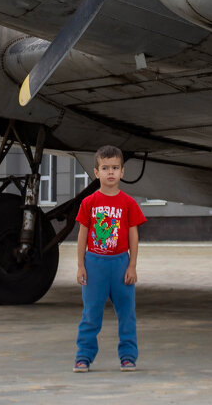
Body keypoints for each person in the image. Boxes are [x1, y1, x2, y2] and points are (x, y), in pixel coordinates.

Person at [73, 145, 146, 372]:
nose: (110, 172)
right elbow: (82, 235)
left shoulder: (128, 203)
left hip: (120, 264)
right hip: (94, 264)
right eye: (105, 168)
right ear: (96, 173)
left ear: (123, 172)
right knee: (91, 314)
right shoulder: (89, 202)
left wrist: (132, 266)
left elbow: (133, 235)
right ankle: (83, 357)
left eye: (115, 168)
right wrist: (80, 266)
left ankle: (128, 356)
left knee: (126, 314)